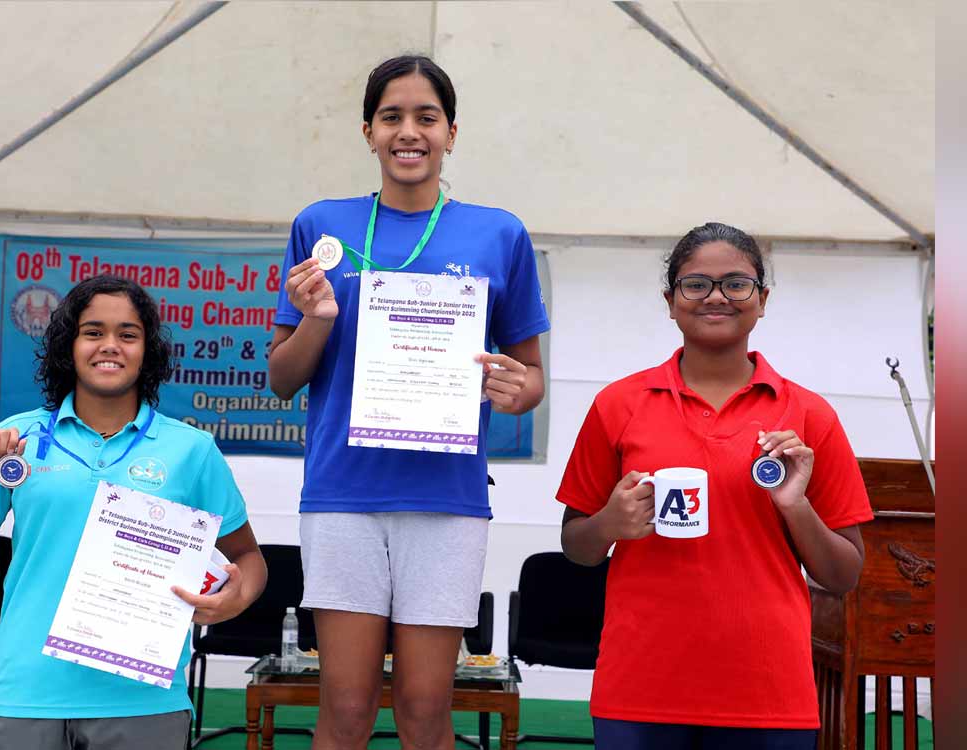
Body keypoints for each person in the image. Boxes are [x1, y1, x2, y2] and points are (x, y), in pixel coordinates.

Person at [268, 54, 550, 750]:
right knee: (347, 704)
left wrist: (518, 389)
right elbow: (280, 378)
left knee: (426, 708)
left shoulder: (499, 233)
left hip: (446, 499)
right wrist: (319, 319)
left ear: (452, 132)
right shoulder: (320, 225)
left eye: (427, 117)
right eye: (391, 116)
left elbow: (531, 376)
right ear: (368, 131)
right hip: (343, 494)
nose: (409, 131)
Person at [555, 222, 873, 749]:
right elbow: (576, 547)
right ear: (670, 300)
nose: (717, 297)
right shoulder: (619, 405)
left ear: (762, 299)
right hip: (640, 688)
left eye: (736, 283)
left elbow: (843, 574)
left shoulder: (810, 416)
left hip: (769, 693)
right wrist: (610, 523)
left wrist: (796, 507)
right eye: (696, 284)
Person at [0, 274, 266, 749]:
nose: (110, 346)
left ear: (148, 350)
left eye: (128, 334)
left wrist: (235, 599)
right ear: (69, 344)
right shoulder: (18, 440)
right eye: (93, 331)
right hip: (27, 695)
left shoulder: (191, 449)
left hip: (144, 699)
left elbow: (249, 560)